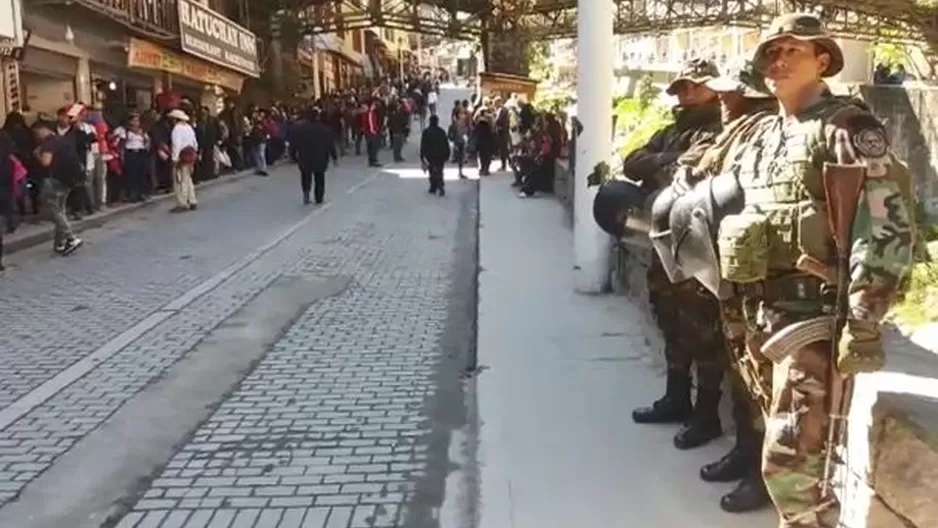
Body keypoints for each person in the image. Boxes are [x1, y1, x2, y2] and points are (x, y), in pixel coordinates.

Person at [672, 14, 915, 526]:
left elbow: (887, 226)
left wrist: (864, 319)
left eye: (792, 52)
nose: (778, 61)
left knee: (792, 465)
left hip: (815, 316)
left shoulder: (848, 128)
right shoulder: (763, 133)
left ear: (822, 60)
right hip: (760, 311)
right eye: (770, 53)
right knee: (789, 456)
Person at [623, 59, 726, 451]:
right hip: (666, 243)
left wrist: (660, 165)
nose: (685, 95)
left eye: (693, 87)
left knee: (704, 331)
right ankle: (677, 396)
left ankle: (707, 414)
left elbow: (692, 174)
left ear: (713, 88)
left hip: (699, 248)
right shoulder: (672, 130)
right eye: (681, 88)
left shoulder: (719, 128)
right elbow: (633, 161)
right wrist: (663, 162)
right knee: (670, 320)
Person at [32, 118, 84, 255]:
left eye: (36, 133)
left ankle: (71, 237)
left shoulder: (48, 142)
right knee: (60, 211)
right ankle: (59, 243)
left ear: (42, 129)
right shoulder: (61, 139)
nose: (36, 136)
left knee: (53, 210)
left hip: (55, 179)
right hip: (69, 180)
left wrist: (37, 154)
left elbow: (46, 162)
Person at [289, 108, 337, 205]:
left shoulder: (300, 129)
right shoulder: (325, 130)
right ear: (318, 117)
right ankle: (319, 197)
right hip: (320, 158)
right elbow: (330, 144)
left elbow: (294, 143)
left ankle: (306, 193)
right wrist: (334, 157)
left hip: (305, 157)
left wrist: (293, 155)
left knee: (306, 176)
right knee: (319, 178)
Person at [168, 109, 198, 212]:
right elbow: (195, 143)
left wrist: (174, 158)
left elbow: (177, 144)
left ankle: (182, 203)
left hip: (182, 156)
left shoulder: (177, 129)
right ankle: (192, 200)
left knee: (179, 180)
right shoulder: (189, 128)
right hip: (190, 154)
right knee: (188, 179)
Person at [420, 114, 451, 197]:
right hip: (441, 155)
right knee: (440, 170)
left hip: (430, 155)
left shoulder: (426, 132)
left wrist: (422, 156)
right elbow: (446, 144)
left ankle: (433, 186)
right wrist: (447, 154)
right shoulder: (441, 131)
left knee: (432, 170)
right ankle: (440, 183)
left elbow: (423, 145)